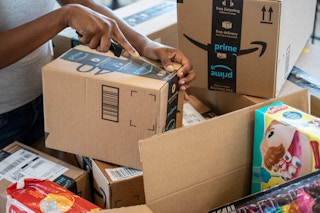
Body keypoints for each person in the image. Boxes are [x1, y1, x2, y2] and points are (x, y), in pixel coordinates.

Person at [0, 0, 196, 149]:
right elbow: (71, 10)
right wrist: (63, 17)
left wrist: (146, 45)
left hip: (46, 97)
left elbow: (79, 3)